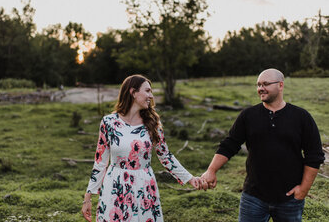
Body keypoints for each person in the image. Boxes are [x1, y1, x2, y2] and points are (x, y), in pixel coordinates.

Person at [201, 68, 325, 222]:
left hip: (290, 198)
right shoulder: (248, 116)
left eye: (266, 84)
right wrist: (211, 170)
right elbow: (229, 145)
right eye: (258, 84)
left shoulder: (301, 117)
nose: (260, 88)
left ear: (280, 85)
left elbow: (314, 156)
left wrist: (303, 190)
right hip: (253, 197)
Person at [82, 74, 206, 222]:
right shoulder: (108, 122)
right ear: (133, 92)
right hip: (115, 186)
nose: (151, 95)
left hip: (144, 186)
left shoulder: (152, 123)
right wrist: (88, 197)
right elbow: (100, 162)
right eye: (147, 91)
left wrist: (190, 178)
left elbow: (165, 156)